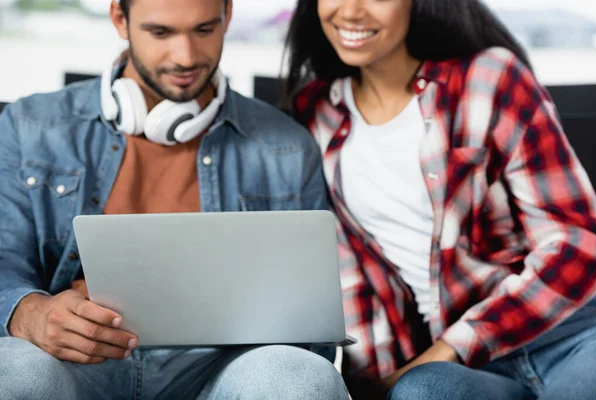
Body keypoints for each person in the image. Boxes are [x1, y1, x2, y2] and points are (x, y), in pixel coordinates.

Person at [0, 0, 350, 399]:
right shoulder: (31, 126)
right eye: (161, 32)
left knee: (297, 378)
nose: (185, 57)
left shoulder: (286, 147)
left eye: (203, 30)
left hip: (220, 372)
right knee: (13, 369)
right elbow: (4, 258)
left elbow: (306, 319)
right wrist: (29, 313)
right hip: (77, 365)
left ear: (228, 15)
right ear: (119, 18)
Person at [284, 0, 596, 399]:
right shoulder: (314, 111)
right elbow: (351, 276)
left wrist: (451, 347)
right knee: (422, 391)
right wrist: (377, 384)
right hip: (464, 369)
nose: (350, 11)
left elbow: (578, 243)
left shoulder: (488, 78)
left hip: (563, 332)